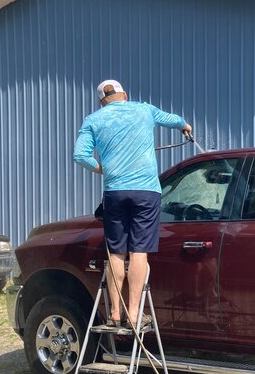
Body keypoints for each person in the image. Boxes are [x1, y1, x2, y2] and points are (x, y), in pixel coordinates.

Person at [73, 79, 192, 329]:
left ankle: (115, 312)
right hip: (146, 192)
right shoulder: (144, 109)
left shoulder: (93, 120)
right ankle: (135, 313)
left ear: (101, 102)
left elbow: (80, 155)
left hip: (115, 191)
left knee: (116, 252)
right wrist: (185, 126)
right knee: (139, 251)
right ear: (124, 95)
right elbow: (174, 119)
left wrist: (100, 169)